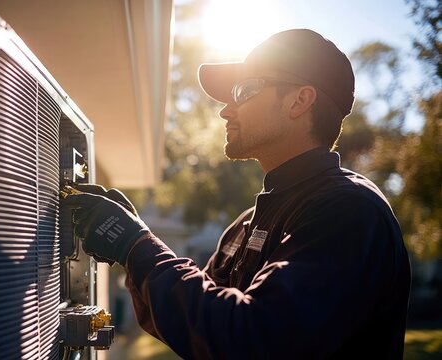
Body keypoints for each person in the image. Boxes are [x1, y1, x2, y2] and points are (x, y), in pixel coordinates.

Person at [62, 29, 412, 359]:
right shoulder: (248, 223)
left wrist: (136, 245)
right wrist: (135, 247)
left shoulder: (349, 212)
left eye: (244, 91)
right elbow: (201, 326)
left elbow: (253, 340)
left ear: (300, 101)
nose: (225, 109)